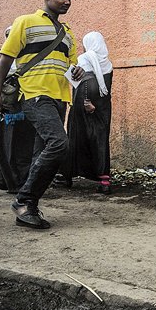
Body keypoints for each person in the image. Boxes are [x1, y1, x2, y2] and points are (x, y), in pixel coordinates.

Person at [0, 0, 84, 229]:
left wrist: (76, 71)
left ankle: (28, 209)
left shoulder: (67, 34)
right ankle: (24, 200)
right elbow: (5, 59)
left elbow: (72, 65)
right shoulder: (26, 22)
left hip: (60, 98)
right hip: (34, 95)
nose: (67, 2)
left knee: (40, 153)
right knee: (59, 143)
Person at [58, 31, 114, 194]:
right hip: (102, 109)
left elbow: (75, 81)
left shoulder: (84, 59)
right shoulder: (107, 62)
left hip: (84, 107)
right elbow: (104, 87)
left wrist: (86, 102)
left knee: (76, 139)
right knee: (100, 141)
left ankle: (66, 176)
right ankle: (104, 180)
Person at [0, 27, 36, 194]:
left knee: (23, 146)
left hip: (24, 110)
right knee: (7, 147)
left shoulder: (28, 58)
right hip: (8, 111)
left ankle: (22, 181)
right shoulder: (4, 60)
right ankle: (12, 182)